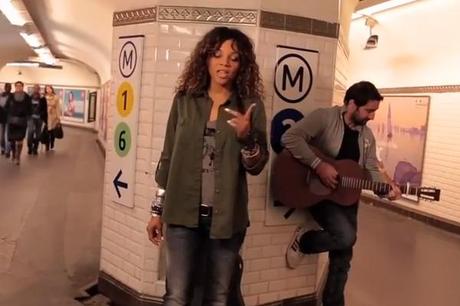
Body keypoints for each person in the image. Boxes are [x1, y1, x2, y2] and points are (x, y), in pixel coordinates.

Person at [146, 27, 269, 306]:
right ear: (205, 58)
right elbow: (167, 158)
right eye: (217, 55)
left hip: (227, 218)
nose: (225, 63)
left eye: (234, 58)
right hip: (180, 215)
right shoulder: (184, 101)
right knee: (176, 296)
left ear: (243, 65)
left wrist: (246, 137)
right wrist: (156, 211)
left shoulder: (250, 106)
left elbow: (257, 165)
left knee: (219, 297)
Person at [282, 81, 402, 306]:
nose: (372, 117)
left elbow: (371, 168)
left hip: (348, 198)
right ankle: (306, 240)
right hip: (317, 193)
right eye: (369, 111)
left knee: (343, 258)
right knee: (346, 237)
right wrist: (318, 165)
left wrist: (385, 192)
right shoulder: (324, 118)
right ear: (352, 104)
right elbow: (290, 138)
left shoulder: (367, 136)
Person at [5, 81, 32, 165]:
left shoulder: (27, 97)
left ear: (22, 87)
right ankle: (13, 153)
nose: (18, 87)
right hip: (12, 121)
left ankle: (18, 157)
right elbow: (6, 106)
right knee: (12, 140)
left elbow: (30, 109)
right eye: (16, 86)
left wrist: (27, 117)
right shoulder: (11, 96)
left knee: (20, 140)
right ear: (15, 87)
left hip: (22, 121)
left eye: (20, 86)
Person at [27, 84, 47, 155]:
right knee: (30, 132)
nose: (36, 90)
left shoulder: (42, 99)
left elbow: (45, 109)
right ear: (33, 89)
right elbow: (26, 108)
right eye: (35, 88)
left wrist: (42, 115)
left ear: (39, 90)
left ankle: (35, 148)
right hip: (31, 118)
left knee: (38, 134)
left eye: (37, 88)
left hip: (39, 119)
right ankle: (29, 147)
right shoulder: (29, 98)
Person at [44, 85, 61, 150]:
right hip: (46, 116)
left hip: (53, 116)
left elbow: (58, 108)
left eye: (49, 88)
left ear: (52, 89)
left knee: (52, 131)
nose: (48, 90)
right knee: (46, 131)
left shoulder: (56, 97)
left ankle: (52, 142)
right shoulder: (44, 97)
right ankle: (47, 145)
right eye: (47, 89)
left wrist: (58, 118)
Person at [0, 83, 12, 157]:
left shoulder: (12, 96)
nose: (8, 88)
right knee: (1, 135)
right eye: (7, 87)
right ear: (4, 88)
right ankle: (2, 148)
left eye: (9, 87)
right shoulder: (1, 95)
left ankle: (8, 151)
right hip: (1, 117)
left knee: (8, 135)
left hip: (9, 118)